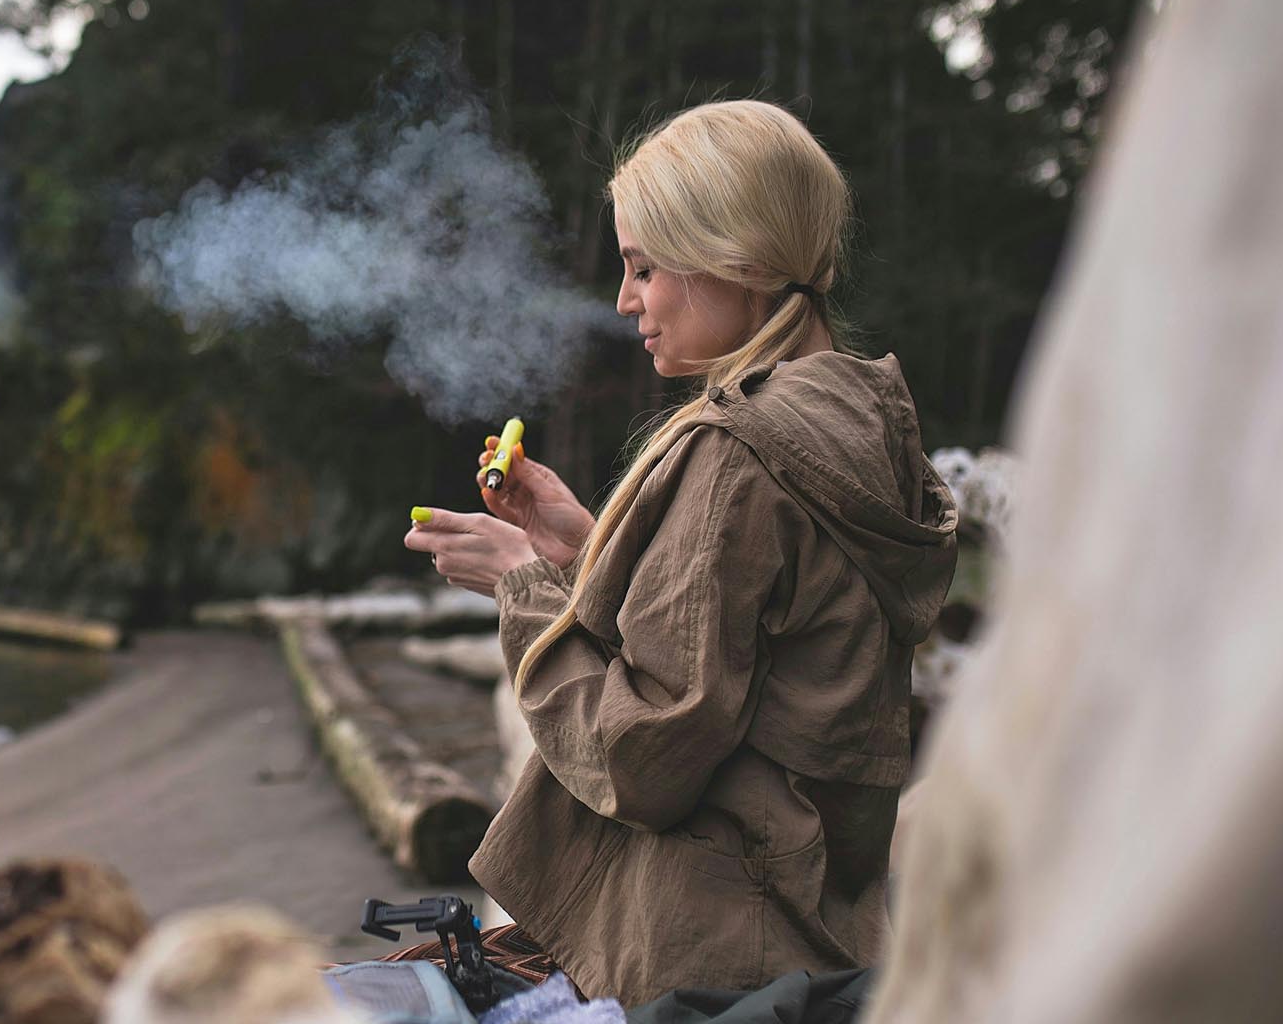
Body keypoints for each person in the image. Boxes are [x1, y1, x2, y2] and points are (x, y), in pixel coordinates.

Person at [403, 99, 958, 1006]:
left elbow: (644, 755)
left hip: (703, 962)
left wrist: (520, 586)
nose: (626, 300)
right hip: (814, 945)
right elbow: (753, 652)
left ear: (734, 258)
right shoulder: (855, 428)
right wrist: (593, 550)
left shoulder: (737, 454)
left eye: (642, 267)